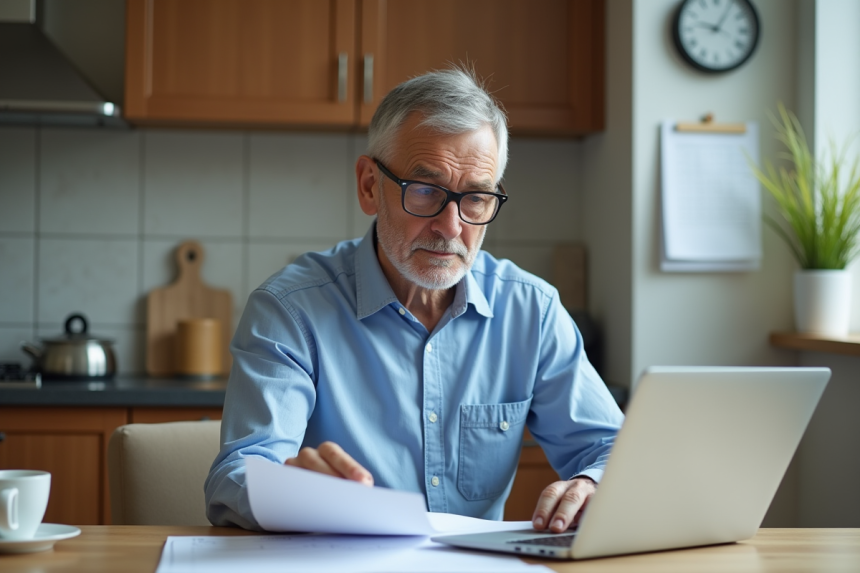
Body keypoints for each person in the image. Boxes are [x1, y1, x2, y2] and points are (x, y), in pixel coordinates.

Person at [204, 67, 624, 533]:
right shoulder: (290, 310)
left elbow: (611, 449)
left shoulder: (532, 311)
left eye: (476, 198)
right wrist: (285, 491)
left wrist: (593, 482)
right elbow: (236, 476)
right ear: (369, 185)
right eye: (425, 191)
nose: (451, 227)